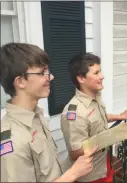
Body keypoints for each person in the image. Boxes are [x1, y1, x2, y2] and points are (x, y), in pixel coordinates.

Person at [0, 43, 98, 182]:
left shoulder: (36, 115)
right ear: (20, 81)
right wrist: (73, 173)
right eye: (42, 72)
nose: (51, 77)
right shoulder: (14, 141)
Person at [60, 53, 127, 183]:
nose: (102, 76)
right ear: (81, 78)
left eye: (101, 71)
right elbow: (75, 153)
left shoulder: (95, 97)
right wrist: (115, 135)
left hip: (104, 165)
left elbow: (99, 119)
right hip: (90, 176)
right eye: (96, 73)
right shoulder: (74, 113)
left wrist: (119, 117)